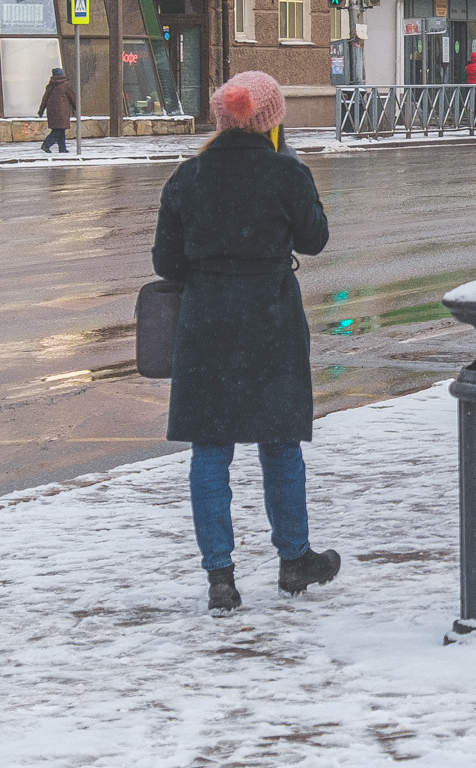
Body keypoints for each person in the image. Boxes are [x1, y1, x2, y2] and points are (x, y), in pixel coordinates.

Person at [152, 71, 335, 614]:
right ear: (271, 119)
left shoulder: (187, 177)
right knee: (279, 444)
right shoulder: (286, 173)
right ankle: (294, 558)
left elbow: (166, 262)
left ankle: (220, 577)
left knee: (210, 451)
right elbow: (316, 239)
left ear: (221, 117)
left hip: (207, 322)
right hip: (271, 319)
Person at [37, 66, 75, 153]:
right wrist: (77, 108)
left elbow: (45, 98)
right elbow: (72, 97)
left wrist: (41, 110)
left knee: (60, 129)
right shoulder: (66, 84)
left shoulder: (50, 85)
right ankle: (46, 145)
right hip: (62, 112)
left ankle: (62, 148)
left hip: (52, 112)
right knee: (58, 130)